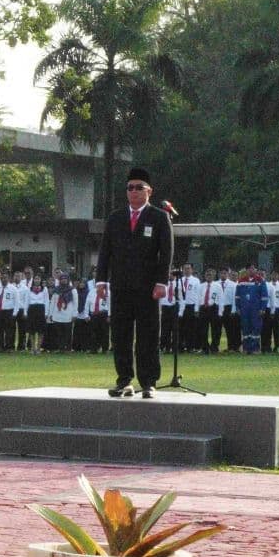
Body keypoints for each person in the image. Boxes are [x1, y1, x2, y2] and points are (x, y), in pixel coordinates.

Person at [95, 167, 174, 398]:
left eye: (139, 187)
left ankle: (148, 382)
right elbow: (105, 251)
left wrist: (162, 282)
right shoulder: (115, 218)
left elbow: (166, 252)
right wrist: (101, 281)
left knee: (148, 335)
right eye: (130, 187)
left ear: (149, 191)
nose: (134, 191)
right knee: (120, 335)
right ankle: (124, 381)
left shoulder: (159, 217)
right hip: (121, 286)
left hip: (148, 287)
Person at [236, 269, 268, 355]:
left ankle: (255, 348)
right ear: (247, 271)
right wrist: (238, 307)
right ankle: (246, 348)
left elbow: (264, 296)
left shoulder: (260, 280)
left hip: (256, 309)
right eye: (249, 269)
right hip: (244, 309)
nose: (251, 271)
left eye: (253, 269)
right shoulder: (241, 281)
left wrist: (262, 308)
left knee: (256, 328)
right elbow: (237, 296)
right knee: (245, 328)